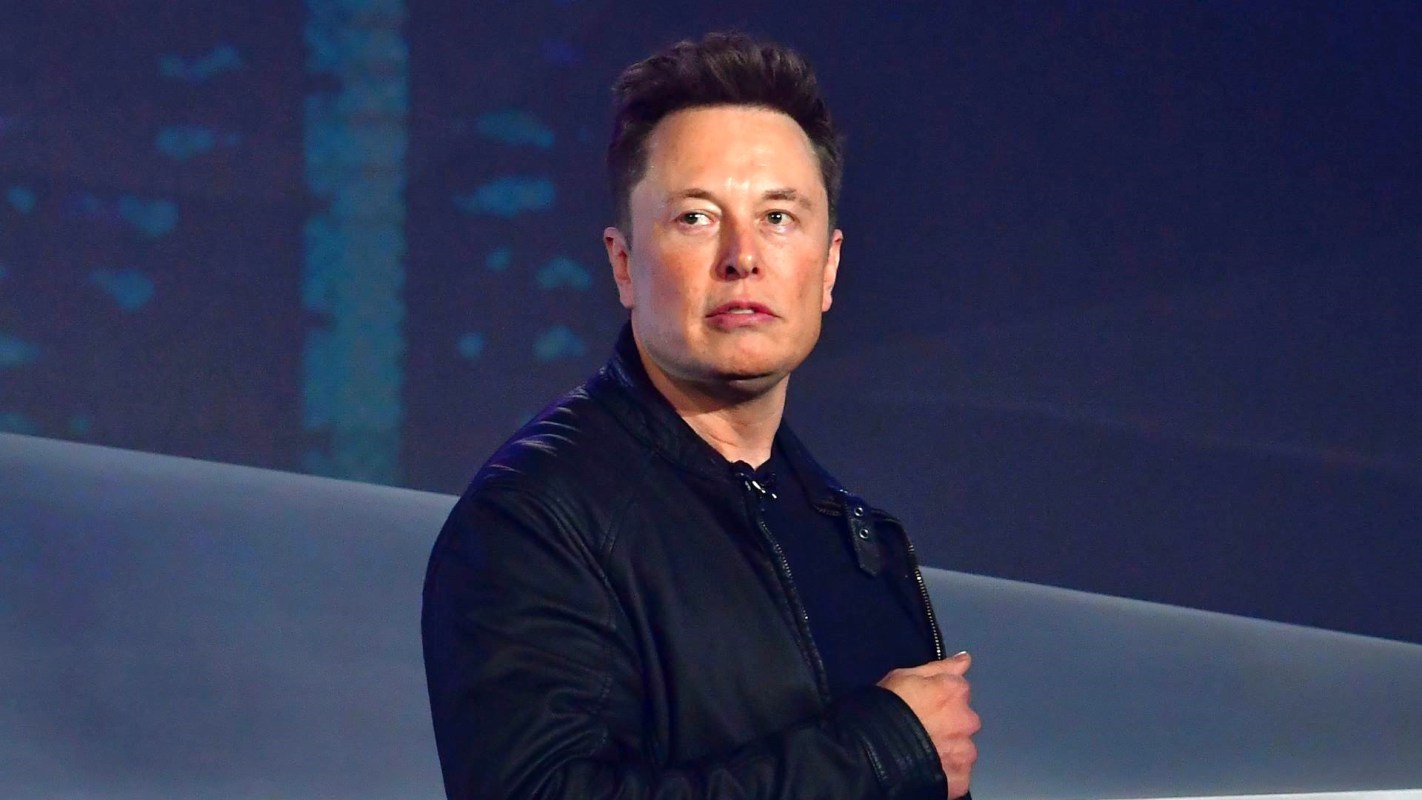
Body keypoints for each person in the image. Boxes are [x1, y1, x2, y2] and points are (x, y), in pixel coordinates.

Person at [421, 32, 980, 800]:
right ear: (623, 264)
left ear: (829, 267)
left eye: (778, 217)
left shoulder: (856, 540)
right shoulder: (534, 519)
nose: (742, 256)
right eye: (695, 218)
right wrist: (877, 753)